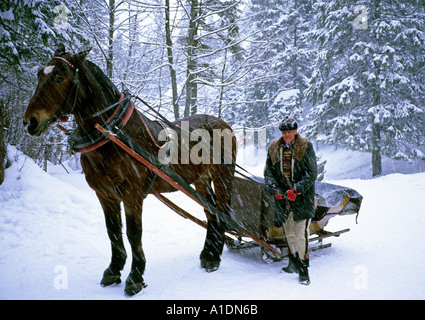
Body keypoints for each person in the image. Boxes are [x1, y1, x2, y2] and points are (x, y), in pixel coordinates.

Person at [264, 117, 317, 285]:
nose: (287, 135)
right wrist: (276, 190)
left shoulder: (306, 147)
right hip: (283, 200)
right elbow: (268, 173)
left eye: (290, 132)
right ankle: (293, 262)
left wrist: (297, 190)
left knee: (301, 234)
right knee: (289, 233)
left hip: (302, 199)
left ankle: (303, 270)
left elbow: (312, 173)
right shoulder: (274, 148)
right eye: (284, 132)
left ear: (295, 131)